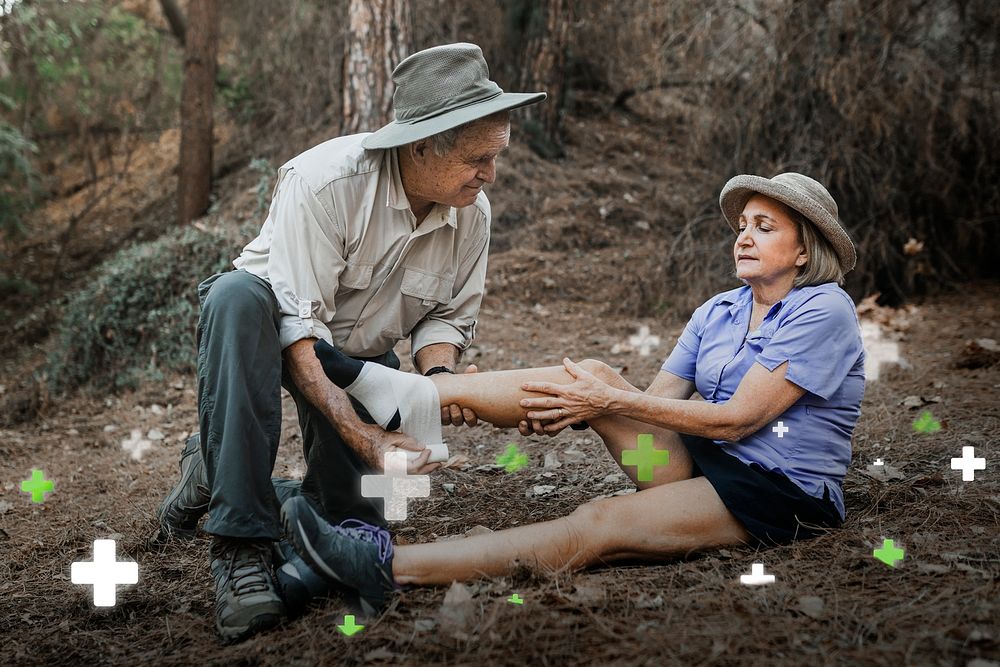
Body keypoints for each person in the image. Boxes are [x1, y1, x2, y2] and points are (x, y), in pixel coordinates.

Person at [277, 172, 866, 612]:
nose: (744, 237)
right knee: (590, 372)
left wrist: (604, 404)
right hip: (695, 464)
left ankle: (381, 564)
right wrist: (583, 403)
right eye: (742, 227)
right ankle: (418, 398)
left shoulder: (824, 310)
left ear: (805, 248)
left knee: (598, 523)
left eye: (765, 228)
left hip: (774, 491)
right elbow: (653, 399)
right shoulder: (721, 310)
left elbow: (739, 420)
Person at [155, 42, 545, 643]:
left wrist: (436, 385)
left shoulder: (474, 213)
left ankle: (215, 468)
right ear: (421, 146)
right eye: (477, 158)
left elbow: (444, 318)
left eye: (496, 156)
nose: (490, 174)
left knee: (358, 523)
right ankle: (239, 545)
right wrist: (362, 431)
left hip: (363, 359)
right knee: (235, 298)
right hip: (275, 331)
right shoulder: (324, 181)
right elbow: (299, 330)